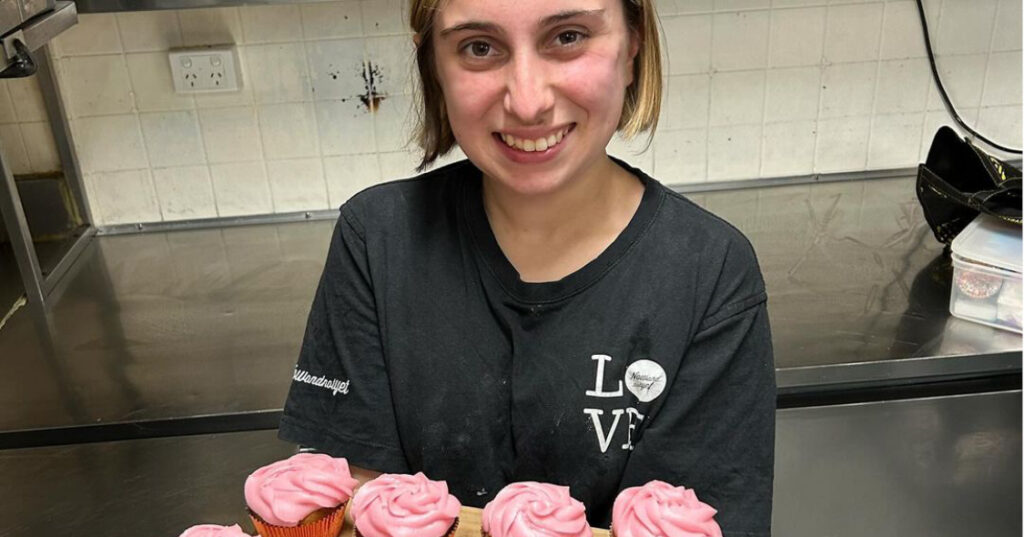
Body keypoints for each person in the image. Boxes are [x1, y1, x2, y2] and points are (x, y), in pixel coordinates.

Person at [278, 0, 776, 534]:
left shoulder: (709, 271)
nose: (528, 102)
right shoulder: (377, 238)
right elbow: (346, 504)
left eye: (567, 37)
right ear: (434, 69)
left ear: (633, 47)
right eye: (479, 47)